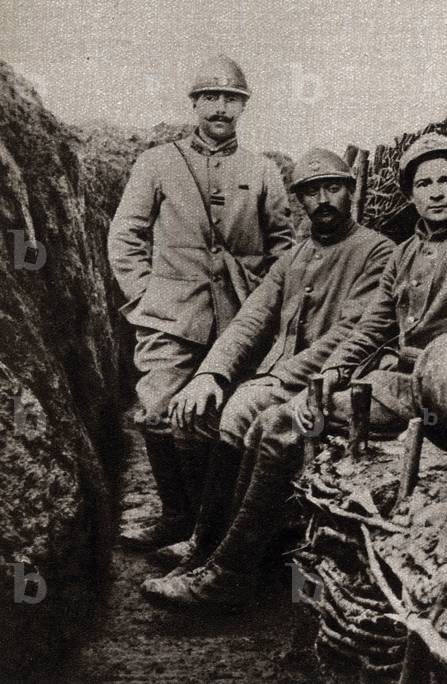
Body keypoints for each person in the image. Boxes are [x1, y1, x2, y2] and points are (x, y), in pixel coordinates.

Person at [142, 133, 447, 609]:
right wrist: (323, 386)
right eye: (424, 184)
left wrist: (309, 385)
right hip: (396, 384)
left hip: (446, 395)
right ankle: (222, 558)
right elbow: (368, 331)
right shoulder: (405, 253)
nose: (437, 193)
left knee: (278, 424)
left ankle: (230, 572)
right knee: (272, 420)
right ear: (410, 195)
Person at [147, 148, 394, 571]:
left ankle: (218, 554)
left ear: (350, 191)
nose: (323, 200)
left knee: (240, 409)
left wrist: (278, 380)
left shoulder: (377, 252)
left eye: (333, 188)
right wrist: (210, 373)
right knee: (191, 410)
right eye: (311, 193)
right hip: (282, 380)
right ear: (299, 201)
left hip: (334, 380)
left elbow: (349, 332)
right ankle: (205, 535)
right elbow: (251, 320)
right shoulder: (294, 257)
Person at [108, 54, 294, 552]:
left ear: (242, 107)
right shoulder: (157, 163)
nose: (220, 108)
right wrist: (146, 296)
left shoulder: (261, 170)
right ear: (195, 104)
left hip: (238, 317)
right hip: (170, 314)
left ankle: (214, 528)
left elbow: (283, 246)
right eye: (210, 98)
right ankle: (176, 516)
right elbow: (126, 236)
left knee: (224, 414)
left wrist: (265, 306)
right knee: (159, 409)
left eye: (230, 99)